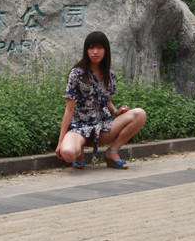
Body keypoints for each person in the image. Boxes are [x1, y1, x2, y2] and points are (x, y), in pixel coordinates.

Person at [56, 31, 147, 169]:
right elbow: (69, 110)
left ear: (106, 50)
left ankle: (112, 152)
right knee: (68, 154)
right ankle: (78, 152)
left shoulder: (109, 74)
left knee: (140, 114)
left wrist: (116, 111)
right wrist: (60, 142)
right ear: (86, 51)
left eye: (99, 48)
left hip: (102, 128)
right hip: (80, 128)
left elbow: (108, 101)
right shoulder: (77, 74)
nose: (95, 52)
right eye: (91, 48)